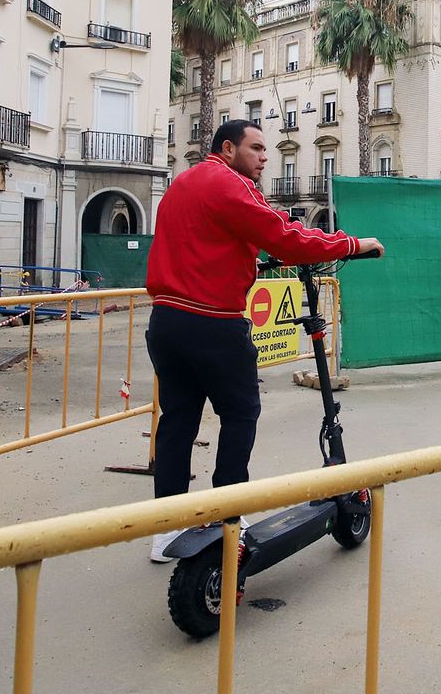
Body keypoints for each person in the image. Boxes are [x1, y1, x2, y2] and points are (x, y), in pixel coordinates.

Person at [144, 119, 383, 561]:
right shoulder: (230, 183)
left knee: (178, 420)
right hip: (213, 321)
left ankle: (166, 529)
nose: (264, 157)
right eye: (256, 148)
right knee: (241, 412)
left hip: (166, 320)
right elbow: (286, 237)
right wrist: (353, 244)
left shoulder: (183, 184)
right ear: (229, 148)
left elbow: (211, 240)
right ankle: (227, 512)